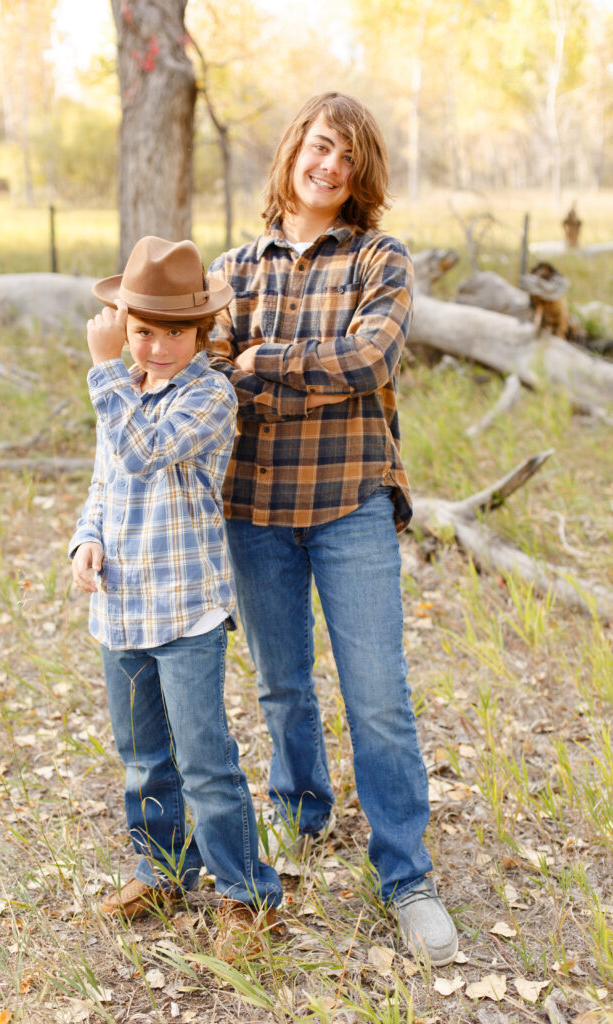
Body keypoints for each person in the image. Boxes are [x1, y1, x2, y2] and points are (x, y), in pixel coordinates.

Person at [208, 93, 459, 966]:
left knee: (378, 698)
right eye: (321, 147)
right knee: (281, 687)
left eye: (348, 159)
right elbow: (206, 376)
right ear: (292, 153)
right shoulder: (233, 269)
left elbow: (370, 360)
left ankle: (406, 875)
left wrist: (261, 364)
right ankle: (301, 813)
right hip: (254, 508)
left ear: (361, 176)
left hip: (351, 498)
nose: (331, 167)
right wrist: (244, 370)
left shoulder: (379, 259)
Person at [69, 235, 282, 959]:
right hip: (121, 608)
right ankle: (162, 871)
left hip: (185, 608)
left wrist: (103, 370)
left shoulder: (209, 395)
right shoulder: (122, 388)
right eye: (141, 331)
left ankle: (247, 895)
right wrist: (85, 540)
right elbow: (105, 479)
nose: (157, 347)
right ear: (125, 327)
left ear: (202, 332)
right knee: (142, 759)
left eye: (175, 332)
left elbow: (143, 451)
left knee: (203, 759)